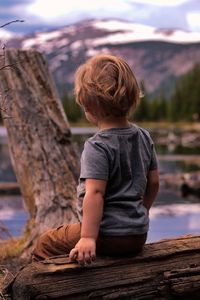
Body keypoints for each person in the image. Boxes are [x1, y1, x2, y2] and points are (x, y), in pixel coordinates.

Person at [32, 54, 159, 265]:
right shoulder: (144, 137)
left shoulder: (98, 145)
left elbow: (95, 193)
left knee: (46, 243)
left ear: (85, 103)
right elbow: (154, 183)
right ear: (134, 96)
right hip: (138, 235)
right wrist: (141, 211)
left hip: (106, 235)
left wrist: (88, 238)